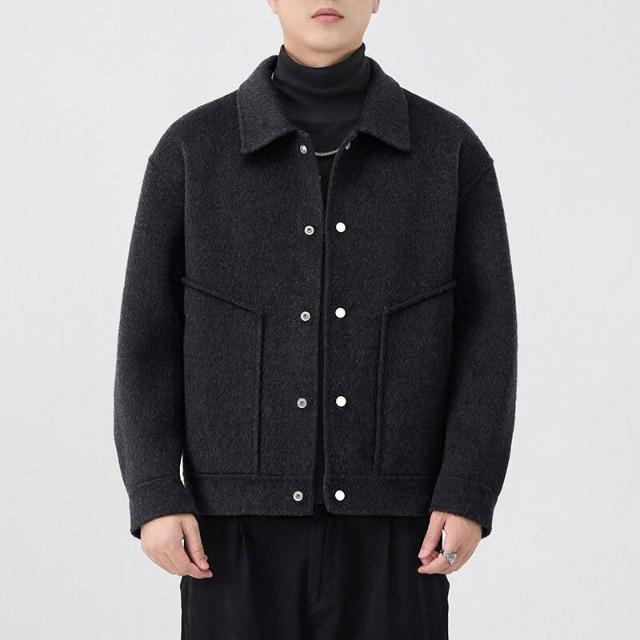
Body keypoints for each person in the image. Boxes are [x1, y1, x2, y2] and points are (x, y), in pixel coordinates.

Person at [113, 1, 518, 638]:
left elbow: (488, 339)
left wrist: (467, 490)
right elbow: (147, 339)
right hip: (231, 535)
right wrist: (156, 490)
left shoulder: (449, 153)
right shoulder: (192, 151)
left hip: (401, 532)